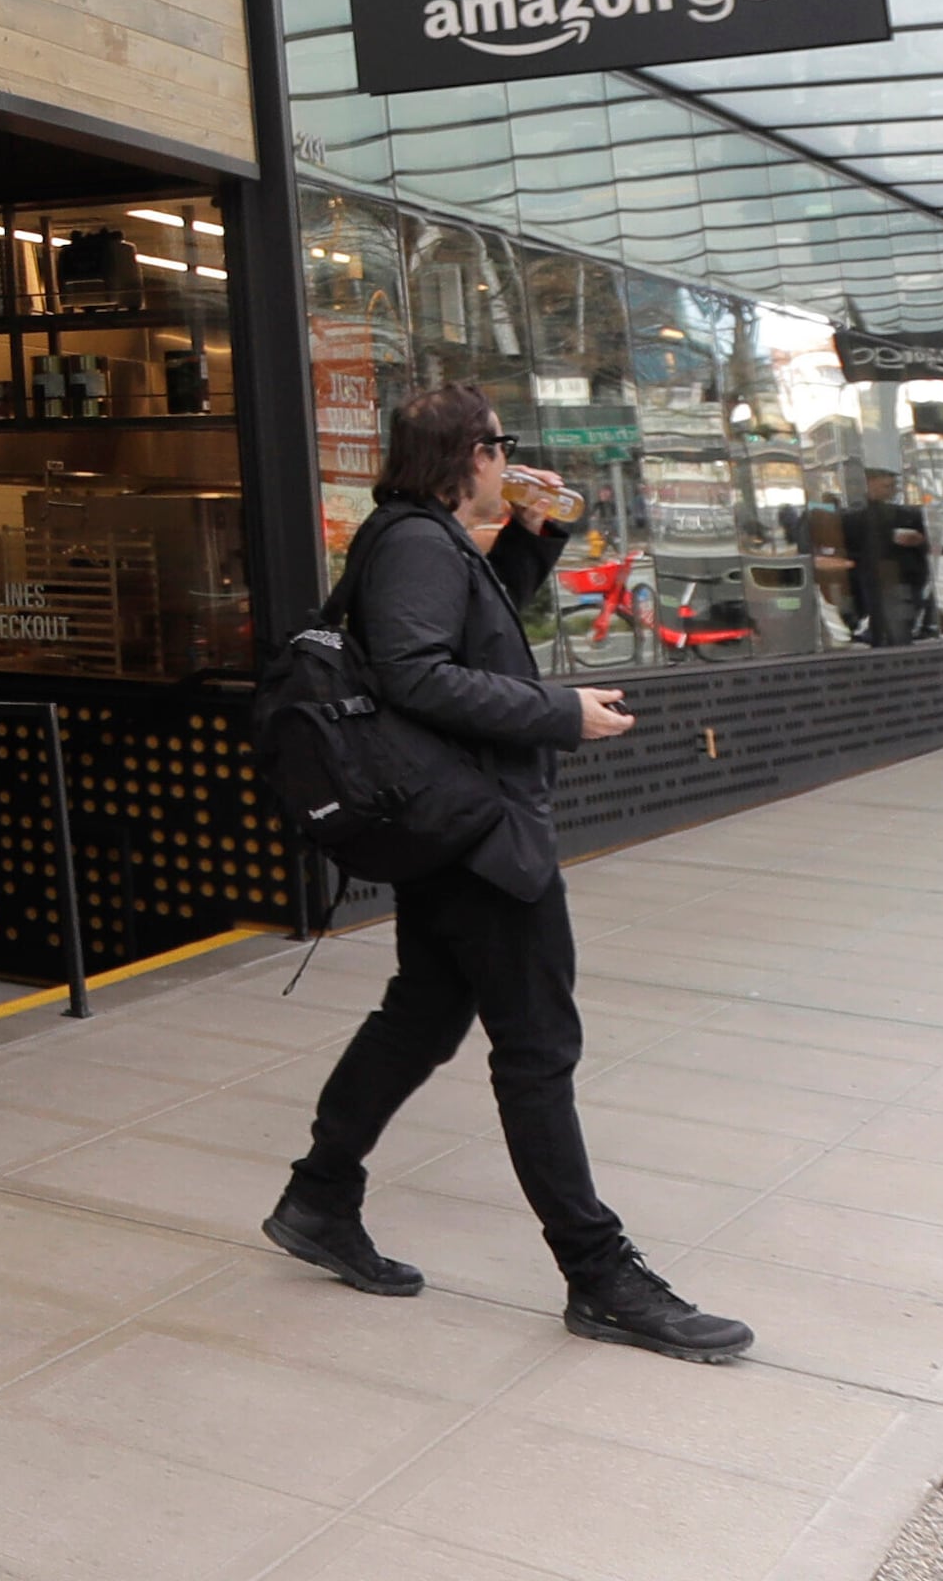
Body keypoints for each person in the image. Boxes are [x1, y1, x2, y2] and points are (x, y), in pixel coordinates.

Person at [264, 384, 755, 1364]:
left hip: (452, 827)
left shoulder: (426, 539)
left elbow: (471, 632)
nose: (508, 458)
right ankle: (600, 1274)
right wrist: (559, 714)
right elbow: (417, 674)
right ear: (466, 453)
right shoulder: (413, 542)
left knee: (420, 1020)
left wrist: (532, 537)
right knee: (536, 1050)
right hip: (477, 834)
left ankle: (319, 1197)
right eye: (500, 446)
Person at [841, 468, 932, 646]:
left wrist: (919, 541)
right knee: (888, 627)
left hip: (901, 579)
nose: (889, 489)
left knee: (897, 627)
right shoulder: (855, 515)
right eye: (884, 485)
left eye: (891, 485)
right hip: (877, 579)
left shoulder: (909, 514)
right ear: (869, 485)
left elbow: (926, 545)